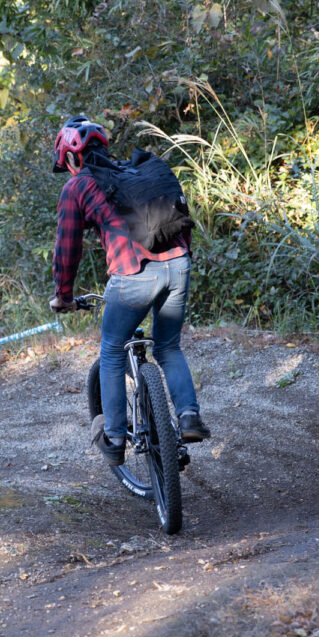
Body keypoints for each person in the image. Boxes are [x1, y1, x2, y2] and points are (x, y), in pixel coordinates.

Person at [48, 115, 210, 466]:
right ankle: (189, 417)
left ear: (71, 157)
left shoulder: (78, 186)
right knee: (168, 346)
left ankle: (115, 437)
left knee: (111, 350)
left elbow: (67, 250)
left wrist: (63, 296)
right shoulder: (135, 173)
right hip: (179, 264)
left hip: (133, 274)